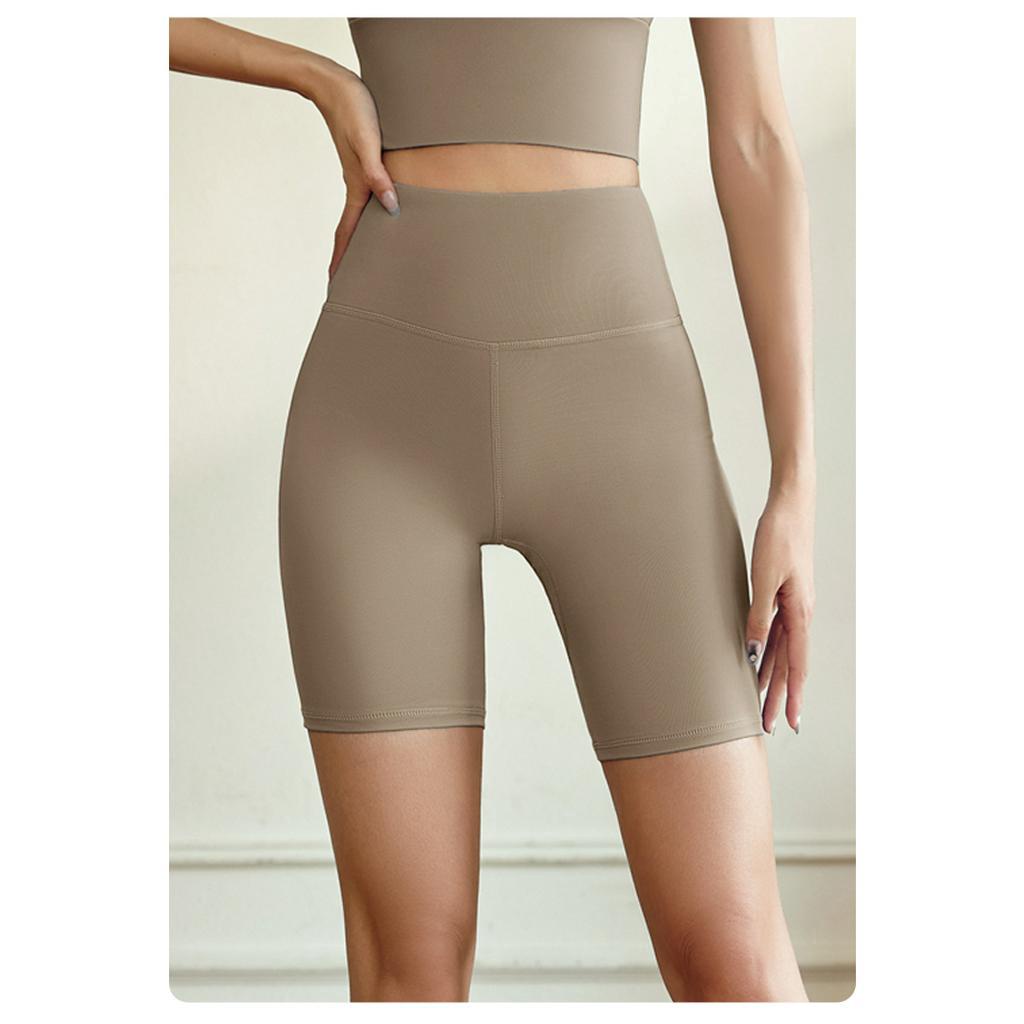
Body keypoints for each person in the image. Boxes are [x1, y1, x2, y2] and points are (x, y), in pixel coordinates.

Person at [170, 16, 815, 1003]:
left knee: (734, 960)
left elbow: (755, 136)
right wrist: (315, 77)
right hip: (380, 416)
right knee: (410, 969)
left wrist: (794, 486)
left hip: (623, 412)